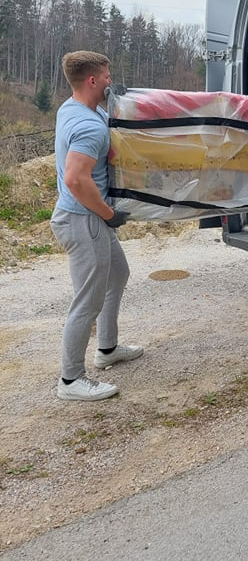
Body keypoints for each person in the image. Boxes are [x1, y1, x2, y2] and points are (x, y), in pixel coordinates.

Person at [50, 51, 143, 401]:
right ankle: (71, 380)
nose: (110, 80)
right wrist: (107, 213)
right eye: (106, 76)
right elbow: (76, 179)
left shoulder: (76, 108)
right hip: (84, 219)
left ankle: (107, 348)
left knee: (117, 274)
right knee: (87, 301)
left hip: (87, 216)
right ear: (91, 80)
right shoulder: (88, 125)